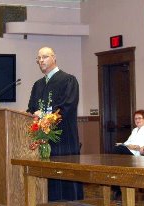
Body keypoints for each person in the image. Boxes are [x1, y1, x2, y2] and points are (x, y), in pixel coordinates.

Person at [27, 46, 83, 201]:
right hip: (42, 137)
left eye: (44, 57)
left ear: (54, 58)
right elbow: (31, 107)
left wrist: (45, 116)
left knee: (65, 175)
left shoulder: (68, 80)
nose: (41, 61)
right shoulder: (38, 84)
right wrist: (35, 114)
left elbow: (68, 106)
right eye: (38, 58)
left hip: (62, 137)